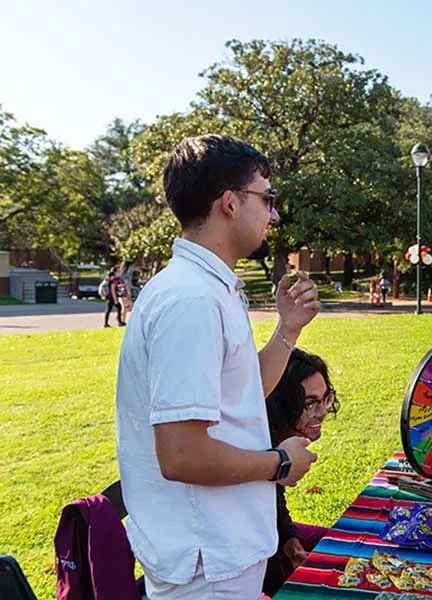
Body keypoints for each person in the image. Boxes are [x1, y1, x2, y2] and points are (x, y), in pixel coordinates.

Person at [115, 134, 320, 599]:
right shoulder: (191, 300)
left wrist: (287, 331)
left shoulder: (208, 288)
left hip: (219, 551)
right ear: (230, 203)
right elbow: (181, 454)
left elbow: (242, 395)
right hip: (205, 563)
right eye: (267, 198)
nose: (274, 213)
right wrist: (280, 462)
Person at [262, 349, 339, 597]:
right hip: (243, 558)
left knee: (340, 545)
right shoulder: (260, 446)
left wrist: (292, 545)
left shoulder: (282, 438)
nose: (323, 412)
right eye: (310, 404)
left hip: (271, 534)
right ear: (282, 404)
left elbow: (274, 505)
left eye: (325, 398)